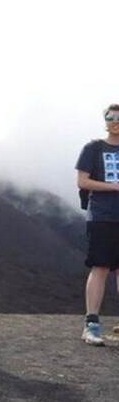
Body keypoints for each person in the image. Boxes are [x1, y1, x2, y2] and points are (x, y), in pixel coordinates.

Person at [76, 103, 119, 346]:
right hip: (101, 216)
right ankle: (91, 325)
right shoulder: (93, 148)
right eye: (110, 116)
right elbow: (82, 181)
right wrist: (113, 187)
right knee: (100, 268)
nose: (114, 120)